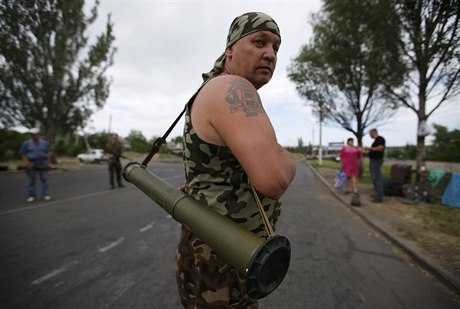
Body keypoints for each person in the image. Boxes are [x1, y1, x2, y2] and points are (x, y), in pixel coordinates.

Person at [176, 12, 296, 308]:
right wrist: (285, 156)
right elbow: (275, 178)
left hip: (214, 248)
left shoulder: (214, 87)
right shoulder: (233, 89)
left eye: (276, 47)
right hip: (222, 255)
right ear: (230, 50)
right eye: (259, 42)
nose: (270, 54)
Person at [19, 128, 53, 202]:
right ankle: (31, 196)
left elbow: (48, 153)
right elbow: (22, 154)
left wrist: (49, 163)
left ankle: (46, 194)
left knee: (44, 180)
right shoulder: (26, 143)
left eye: (34, 134)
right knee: (31, 180)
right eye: (31, 134)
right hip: (32, 163)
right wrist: (27, 163)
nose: (33, 136)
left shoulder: (45, 143)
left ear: (38, 134)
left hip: (43, 163)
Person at [365, 129, 386, 203]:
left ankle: (379, 197)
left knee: (377, 178)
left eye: (370, 134)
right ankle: (377, 193)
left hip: (377, 161)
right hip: (373, 160)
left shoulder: (380, 139)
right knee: (374, 178)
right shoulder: (376, 140)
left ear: (373, 133)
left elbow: (380, 148)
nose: (370, 136)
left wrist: (369, 148)